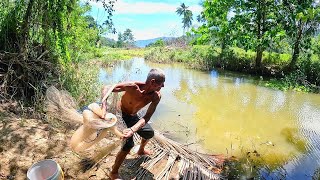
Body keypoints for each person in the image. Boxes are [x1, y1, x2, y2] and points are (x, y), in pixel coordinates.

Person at [101, 68, 165, 180]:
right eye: (161, 83)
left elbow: (147, 117)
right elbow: (107, 88)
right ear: (153, 82)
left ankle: (141, 150)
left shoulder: (156, 96)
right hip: (121, 115)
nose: (163, 86)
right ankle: (114, 173)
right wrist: (104, 105)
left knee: (149, 133)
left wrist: (133, 129)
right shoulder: (132, 87)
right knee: (128, 144)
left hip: (133, 116)